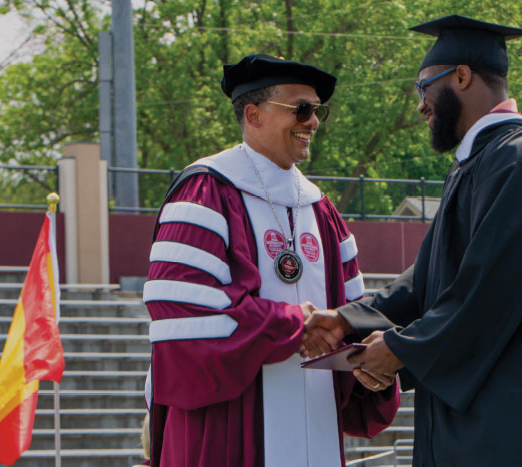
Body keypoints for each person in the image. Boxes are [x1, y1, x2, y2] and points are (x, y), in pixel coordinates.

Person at [303, 15, 522, 467]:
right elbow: (431, 279)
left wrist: (399, 348)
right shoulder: (482, 160)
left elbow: (490, 289)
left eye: (423, 88)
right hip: (483, 418)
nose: (420, 106)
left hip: (519, 424)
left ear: (461, 76)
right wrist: (349, 320)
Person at [143, 53, 399, 467]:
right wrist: (293, 325)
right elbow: (183, 311)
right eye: (301, 109)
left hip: (315, 416)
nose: (313, 122)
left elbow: (353, 311)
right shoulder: (205, 192)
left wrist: (368, 357)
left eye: (318, 111)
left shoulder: (321, 209)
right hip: (230, 423)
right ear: (253, 114)